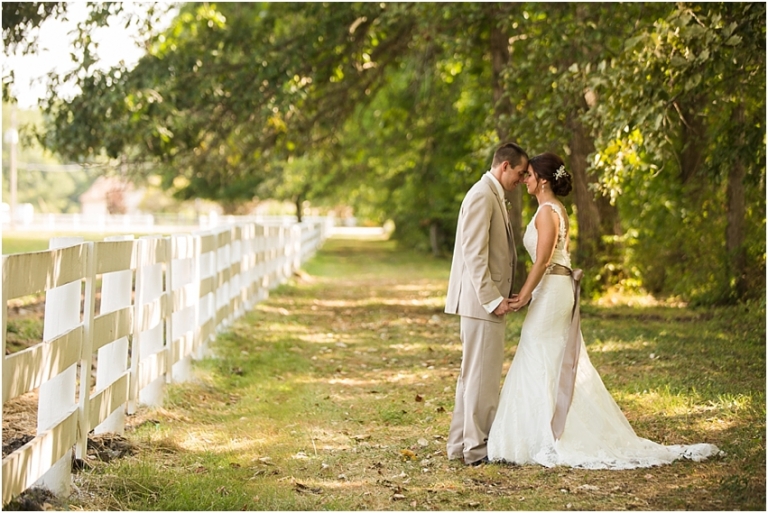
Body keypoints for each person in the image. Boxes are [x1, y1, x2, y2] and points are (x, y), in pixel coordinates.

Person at [486, 152, 721, 469]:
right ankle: (547, 430)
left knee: (536, 348)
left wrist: (524, 296)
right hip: (555, 290)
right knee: (549, 354)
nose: (524, 179)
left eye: (528, 175)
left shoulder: (546, 212)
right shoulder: (558, 210)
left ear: (542, 179)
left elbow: (543, 262)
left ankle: (549, 435)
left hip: (552, 291)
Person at [444, 141, 529, 466]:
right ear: (504, 166)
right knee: (482, 379)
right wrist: (493, 300)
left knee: (472, 377)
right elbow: (474, 255)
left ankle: (459, 445)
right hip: (482, 304)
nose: (521, 180)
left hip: (482, 303)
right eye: (519, 173)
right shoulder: (482, 195)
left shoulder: (492, 195)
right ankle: (477, 450)